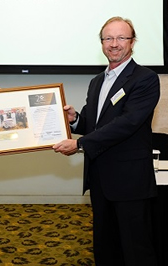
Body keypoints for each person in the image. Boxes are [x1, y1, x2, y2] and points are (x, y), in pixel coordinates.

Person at [53, 16, 160, 266]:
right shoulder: (97, 81)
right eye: (108, 38)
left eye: (121, 37)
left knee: (136, 250)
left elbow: (128, 122)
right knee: (105, 246)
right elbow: (94, 124)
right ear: (101, 43)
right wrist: (75, 120)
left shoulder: (144, 78)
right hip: (100, 178)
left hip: (130, 181)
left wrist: (80, 145)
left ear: (132, 42)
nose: (114, 44)